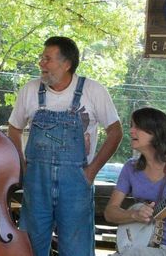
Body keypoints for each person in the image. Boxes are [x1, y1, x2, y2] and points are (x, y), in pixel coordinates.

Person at [8, 36, 123, 256]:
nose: (41, 63)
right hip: (36, 183)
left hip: (76, 183)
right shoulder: (30, 90)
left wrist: (91, 173)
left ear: (66, 64)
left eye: (47, 59)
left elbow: (115, 132)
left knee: (76, 248)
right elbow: (14, 129)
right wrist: (22, 166)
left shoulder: (93, 91)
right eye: (42, 58)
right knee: (31, 247)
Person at [104, 107, 166, 256]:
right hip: (140, 247)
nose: (131, 131)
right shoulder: (130, 167)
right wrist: (134, 215)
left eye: (138, 127)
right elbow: (110, 212)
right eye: (131, 126)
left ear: (156, 131)